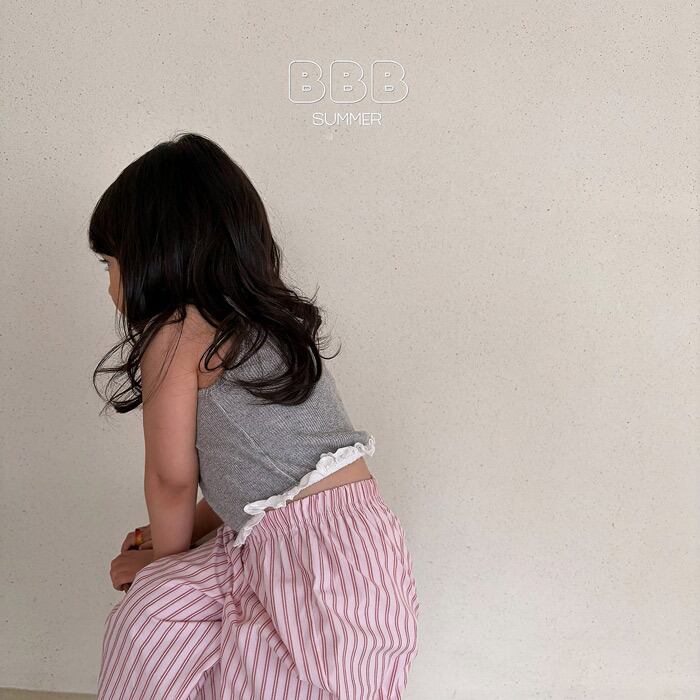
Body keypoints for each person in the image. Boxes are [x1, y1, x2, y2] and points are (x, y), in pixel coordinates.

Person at [89, 132, 420, 699]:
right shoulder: (267, 329)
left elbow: (171, 480)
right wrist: (176, 546)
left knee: (154, 628)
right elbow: (262, 483)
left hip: (308, 560)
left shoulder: (175, 334)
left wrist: (159, 574)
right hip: (345, 550)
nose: (111, 285)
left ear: (154, 258)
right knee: (258, 671)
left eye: (110, 264)